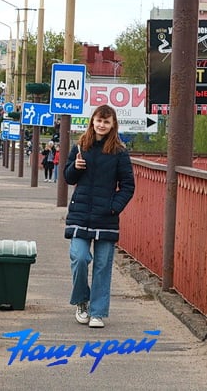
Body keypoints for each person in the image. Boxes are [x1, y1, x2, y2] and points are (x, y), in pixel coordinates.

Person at [64, 104, 135, 329]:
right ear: (92, 121)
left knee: (103, 265)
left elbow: (127, 186)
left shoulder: (120, 152)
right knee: (80, 257)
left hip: (106, 216)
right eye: (98, 120)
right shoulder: (80, 147)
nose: (102, 125)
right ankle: (81, 302)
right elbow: (68, 178)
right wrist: (75, 167)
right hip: (80, 214)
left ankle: (98, 312)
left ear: (113, 124)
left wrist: (114, 207)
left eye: (106, 121)